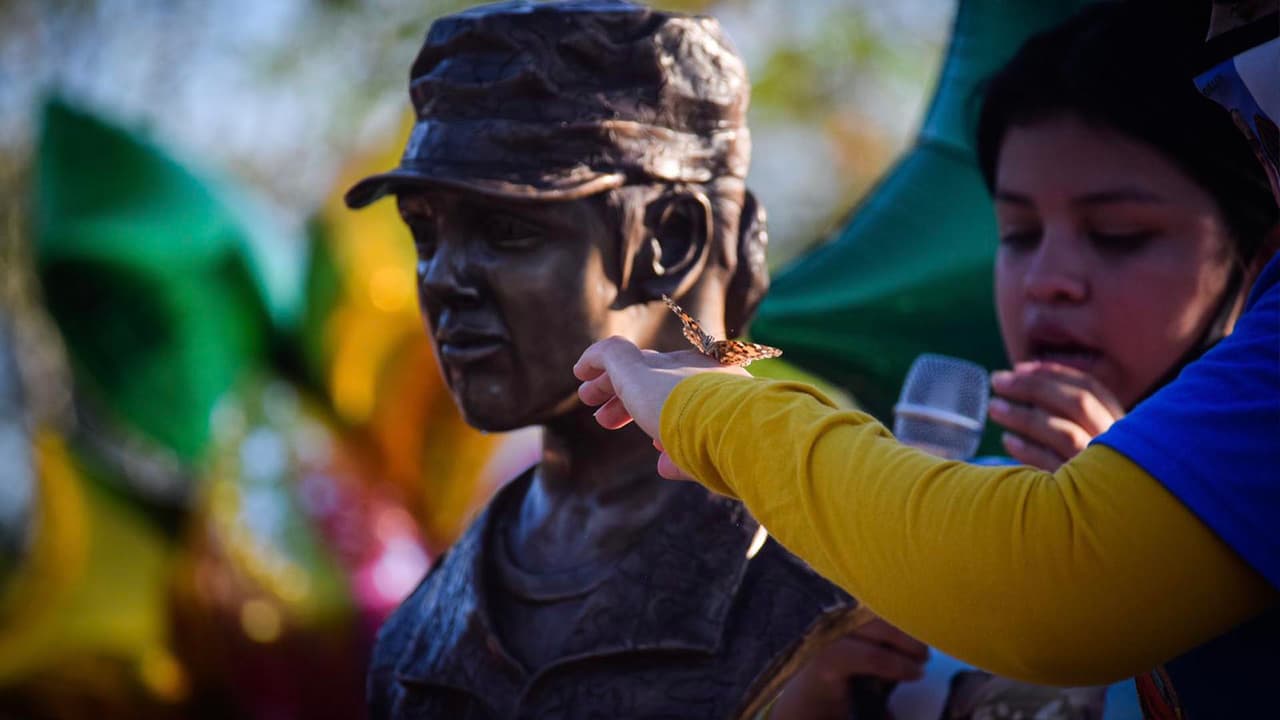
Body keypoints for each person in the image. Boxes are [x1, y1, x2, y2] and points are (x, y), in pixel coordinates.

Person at [575, 1, 1280, 716]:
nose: (1048, 280)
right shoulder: (895, 519)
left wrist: (710, 409)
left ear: (1255, 258)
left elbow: (1058, 574)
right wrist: (809, 692)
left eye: (1119, 234)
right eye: (1018, 234)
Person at [343, 2, 865, 718]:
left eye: (505, 229)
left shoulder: (831, 561)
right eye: (425, 233)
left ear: (671, 240)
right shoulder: (419, 631)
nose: (442, 278)